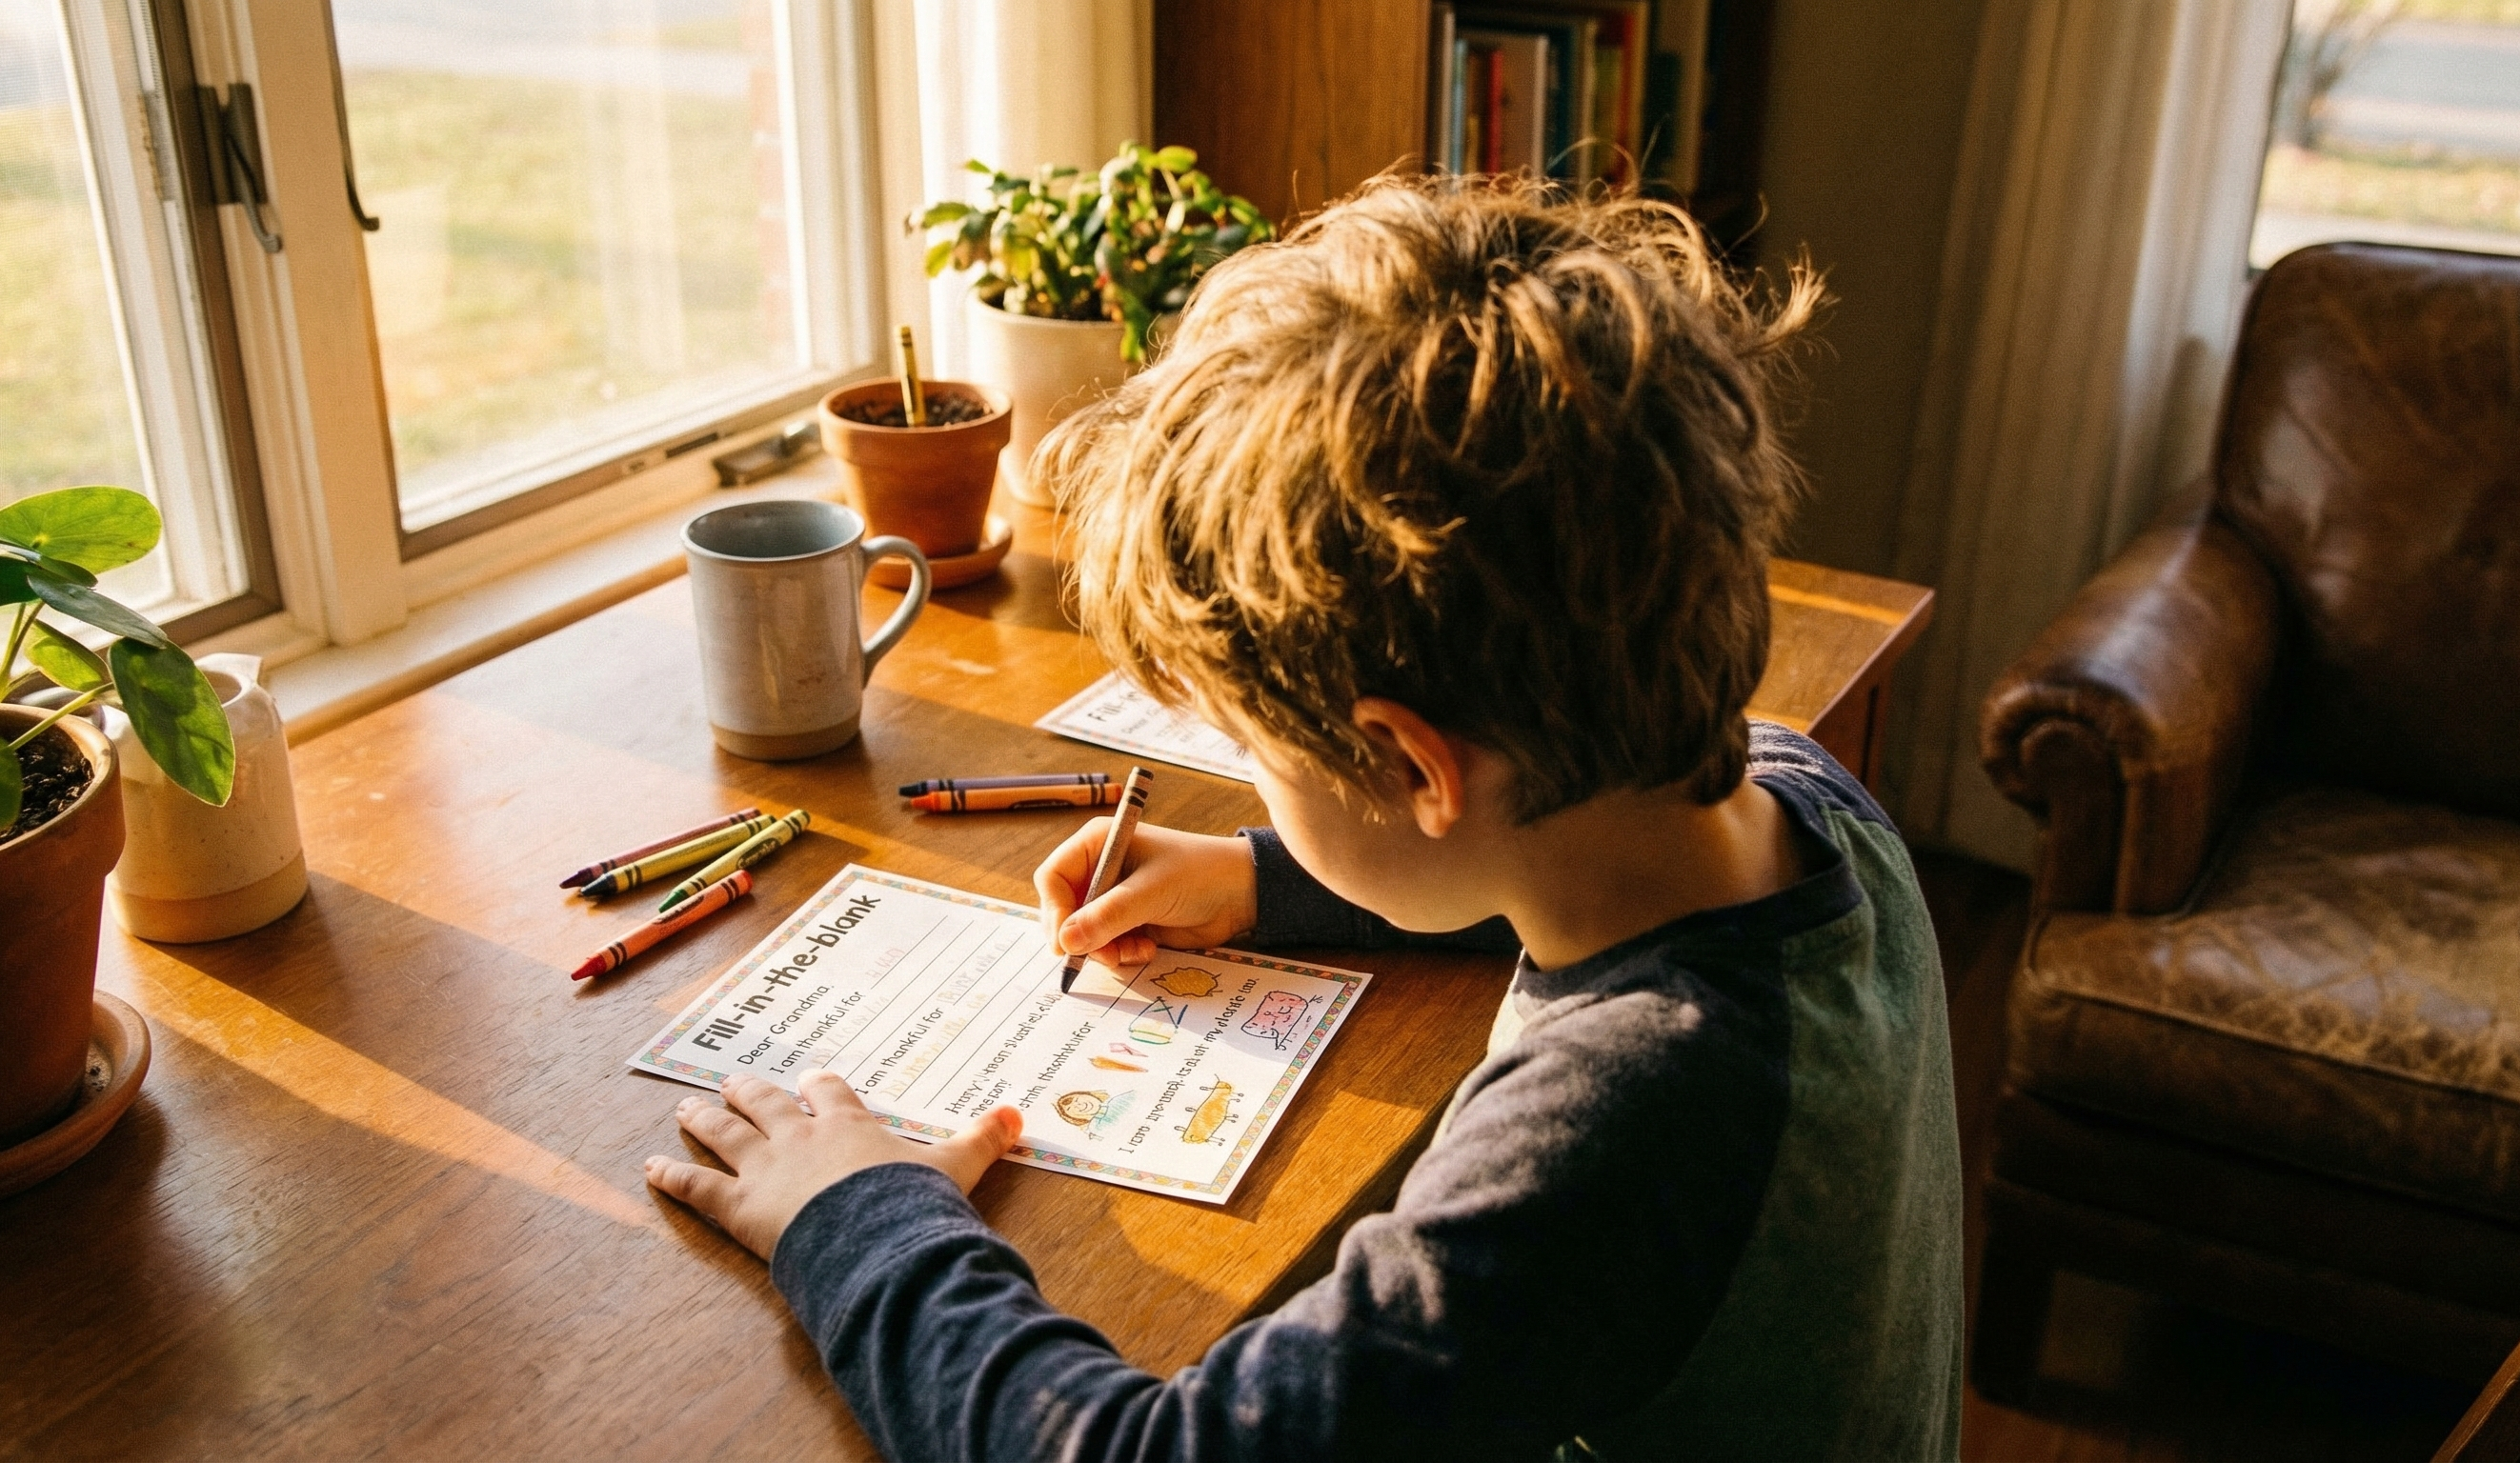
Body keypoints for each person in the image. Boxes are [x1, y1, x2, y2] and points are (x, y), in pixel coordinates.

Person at [642, 176, 1962, 1462]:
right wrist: (1263, 877)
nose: (1252, 784)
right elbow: (1554, 845)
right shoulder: (1802, 795)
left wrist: (858, 1219)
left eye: (1256, 760)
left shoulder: (1613, 1135)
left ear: (1411, 770)